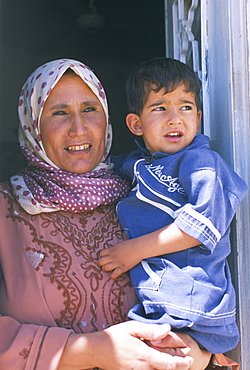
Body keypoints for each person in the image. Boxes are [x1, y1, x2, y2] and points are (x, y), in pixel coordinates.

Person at [0, 58, 212, 370]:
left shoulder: (146, 195)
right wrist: (94, 350)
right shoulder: (7, 209)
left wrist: (197, 349)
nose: (78, 129)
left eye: (89, 110)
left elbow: (205, 281)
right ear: (33, 124)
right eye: (59, 113)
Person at [98, 58, 248, 356]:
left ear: (198, 117)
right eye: (160, 108)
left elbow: (201, 227)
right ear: (135, 124)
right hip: (162, 296)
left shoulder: (201, 164)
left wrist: (134, 251)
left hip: (192, 296)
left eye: (185, 107)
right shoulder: (138, 164)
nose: (175, 118)